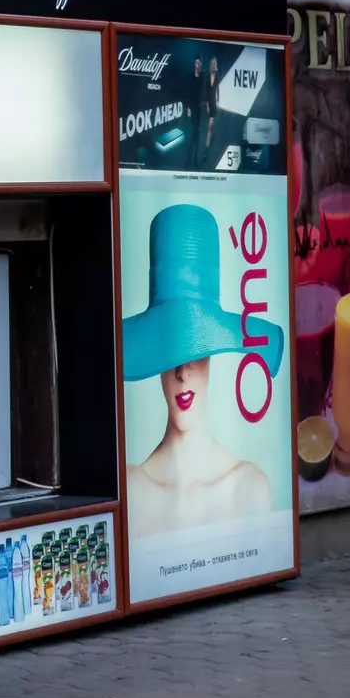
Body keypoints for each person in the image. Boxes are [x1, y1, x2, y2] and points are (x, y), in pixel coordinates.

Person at [122, 202, 283, 538]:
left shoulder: (249, 489)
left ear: (213, 353)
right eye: (170, 349)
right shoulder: (132, 490)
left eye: (197, 349)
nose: (183, 372)